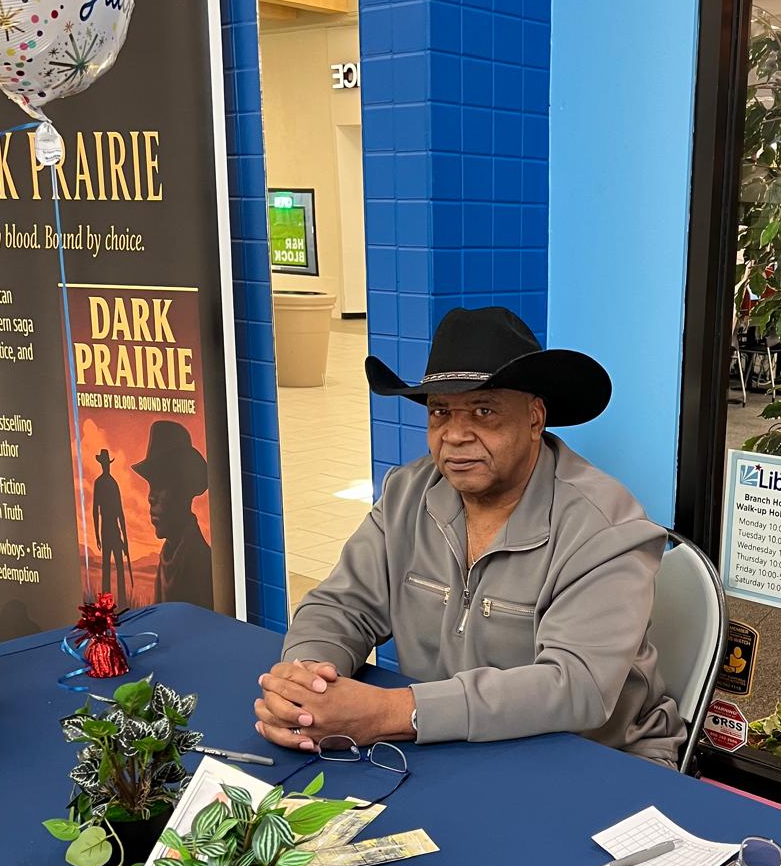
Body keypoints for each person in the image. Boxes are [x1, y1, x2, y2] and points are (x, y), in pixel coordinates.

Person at [255, 306, 684, 766]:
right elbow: (341, 606)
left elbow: (575, 688)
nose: (456, 435)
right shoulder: (407, 494)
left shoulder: (606, 527)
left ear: (535, 419)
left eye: (484, 411)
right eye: (441, 412)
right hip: (453, 746)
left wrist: (391, 712)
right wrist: (307, 682)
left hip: (598, 759)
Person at [132, 421, 214, 609]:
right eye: (150, 484)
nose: (150, 497)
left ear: (184, 490)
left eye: (161, 483)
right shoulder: (168, 555)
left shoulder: (199, 561)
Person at [92, 448, 130, 605]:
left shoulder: (111, 483)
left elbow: (120, 512)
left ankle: (121, 602)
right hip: (108, 529)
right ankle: (107, 603)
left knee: (118, 566)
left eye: (106, 463)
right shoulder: (101, 483)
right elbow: (95, 510)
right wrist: (97, 535)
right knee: (107, 566)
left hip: (113, 529)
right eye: (104, 463)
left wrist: (125, 539)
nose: (106, 466)